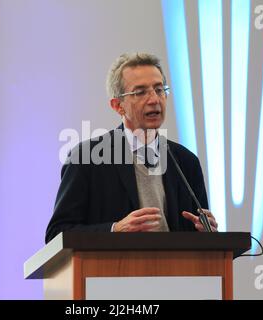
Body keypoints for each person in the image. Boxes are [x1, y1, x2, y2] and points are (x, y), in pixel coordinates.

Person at [45, 53, 218, 243]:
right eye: (141, 92)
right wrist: (115, 229)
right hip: (114, 270)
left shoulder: (186, 161)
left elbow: (197, 235)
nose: (154, 99)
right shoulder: (88, 157)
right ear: (118, 106)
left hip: (176, 271)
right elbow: (57, 234)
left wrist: (205, 232)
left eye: (159, 90)